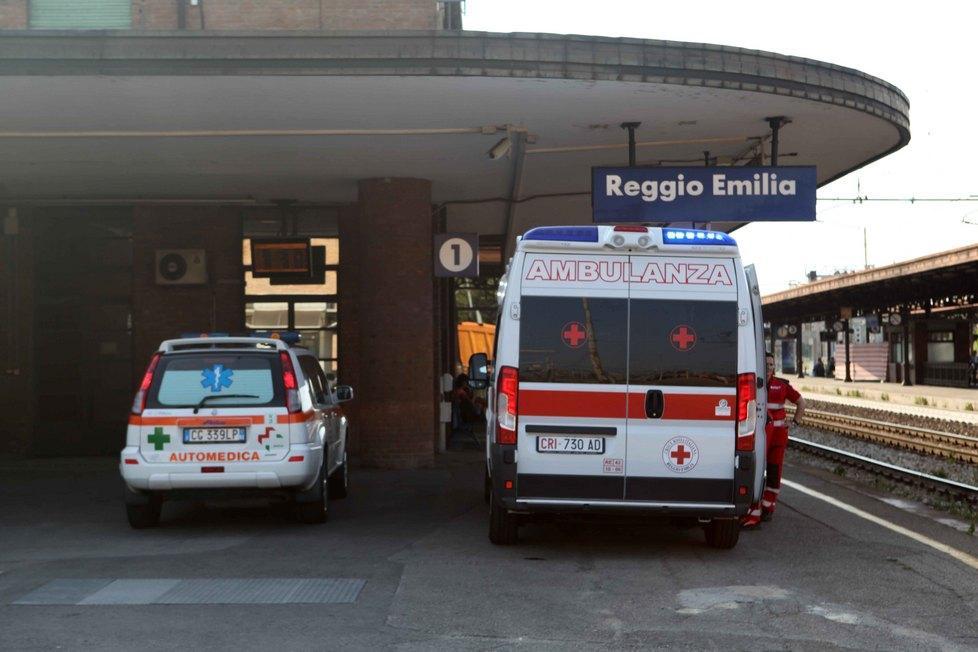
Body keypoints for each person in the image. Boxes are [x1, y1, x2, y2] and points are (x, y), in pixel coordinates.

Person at [742, 352, 807, 529]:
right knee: (757, 470)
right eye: (766, 364)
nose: (769, 367)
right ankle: (754, 510)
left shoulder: (781, 385)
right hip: (760, 434)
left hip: (777, 436)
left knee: (774, 470)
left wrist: (795, 422)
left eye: (771, 364)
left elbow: (801, 402)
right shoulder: (755, 383)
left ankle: (768, 507)